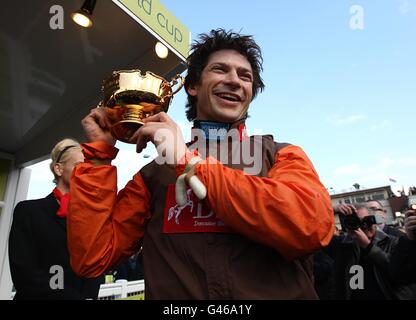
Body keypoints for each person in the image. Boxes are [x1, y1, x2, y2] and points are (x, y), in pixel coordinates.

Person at [67, 29, 334, 299]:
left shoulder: (280, 154)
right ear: (192, 86)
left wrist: (187, 162)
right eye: (220, 70)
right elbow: (92, 259)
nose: (234, 81)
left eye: (245, 76)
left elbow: (309, 227)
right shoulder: (154, 174)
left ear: (251, 93)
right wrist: (99, 156)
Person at [8, 138, 103, 300]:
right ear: (59, 169)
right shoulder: (28, 211)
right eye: (79, 165)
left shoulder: (92, 217)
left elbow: (95, 269)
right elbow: (25, 274)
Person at [328, 203, 410, 299]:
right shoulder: (342, 245)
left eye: (367, 221)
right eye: (357, 222)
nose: (364, 226)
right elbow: (313, 231)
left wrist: (368, 246)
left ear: (375, 221)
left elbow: (399, 271)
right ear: (348, 225)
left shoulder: (394, 241)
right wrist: (332, 210)